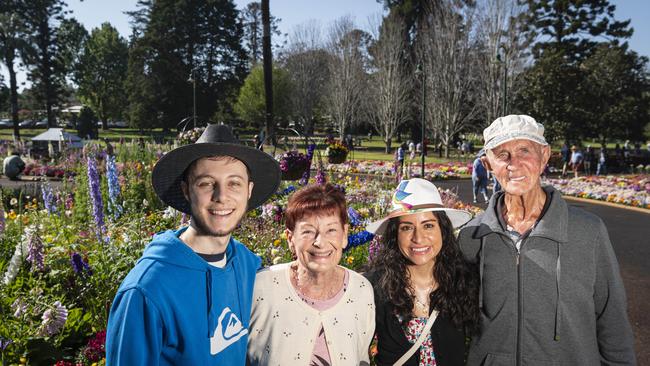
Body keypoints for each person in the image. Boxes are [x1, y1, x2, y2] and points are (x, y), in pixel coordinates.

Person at [459, 115, 635, 365]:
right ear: (488, 164)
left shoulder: (588, 230)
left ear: (544, 156)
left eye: (524, 151)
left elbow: (612, 319)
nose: (514, 164)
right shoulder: (472, 235)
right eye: (502, 154)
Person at [105, 124, 281, 365]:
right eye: (206, 183)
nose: (221, 196)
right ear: (186, 190)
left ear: (249, 191)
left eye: (234, 183)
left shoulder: (247, 264)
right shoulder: (146, 290)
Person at [247, 183, 375, 366]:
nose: (320, 242)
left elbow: (362, 357)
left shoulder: (361, 290)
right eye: (307, 231)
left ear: (345, 234)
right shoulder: (261, 288)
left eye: (331, 230)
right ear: (290, 239)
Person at [365, 178, 479, 366]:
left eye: (428, 225)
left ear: (443, 229)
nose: (418, 238)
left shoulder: (462, 281)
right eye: (407, 227)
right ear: (395, 234)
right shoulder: (374, 287)